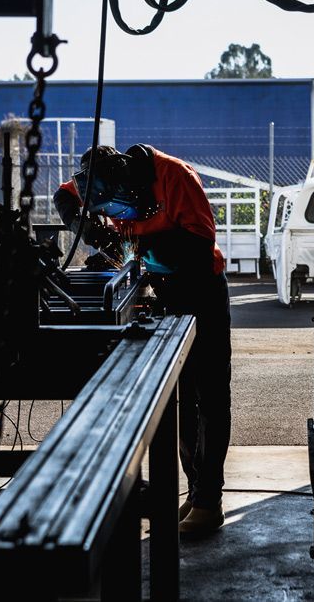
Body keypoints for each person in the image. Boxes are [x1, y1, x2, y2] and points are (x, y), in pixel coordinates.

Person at [54, 144, 232, 535]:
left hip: (200, 288)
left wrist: (139, 246)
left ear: (131, 185)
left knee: (210, 395)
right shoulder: (101, 181)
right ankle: (196, 492)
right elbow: (64, 196)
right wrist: (92, 232)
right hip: (163, 288)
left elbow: (199, 246)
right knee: (182, 396)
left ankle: (209, 500)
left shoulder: (175, 177)